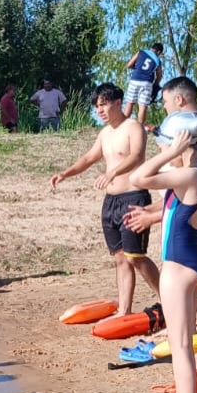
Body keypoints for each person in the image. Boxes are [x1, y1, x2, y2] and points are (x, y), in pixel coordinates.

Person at [131, 111, 197, 393]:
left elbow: (138, 178)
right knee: (183, 341)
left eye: (163, 147)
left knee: (180, 343)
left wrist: (171, 153)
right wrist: (175, 154)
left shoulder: (189, 175)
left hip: (179, 264)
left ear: (181, 144)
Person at [49, 83, 160, 315]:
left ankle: (168, 301)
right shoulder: (105, 133)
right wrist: (65, 174)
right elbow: (89, 158)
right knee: (120, 258)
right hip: (111, 202)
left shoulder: (133, 127)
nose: (99, 110)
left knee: (136, 257)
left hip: (133, 198)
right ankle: (124, 310)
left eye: (103, 104)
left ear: (118, 103)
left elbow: (137, 155)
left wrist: (112, 172)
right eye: (97, 106)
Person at [123, 42, 164, 123]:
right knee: (143, 107)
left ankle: (123, 125)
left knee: (129, 103)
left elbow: (129, 64)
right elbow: (159, 75)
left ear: (152, 47)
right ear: (159, 52)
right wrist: (156, 84)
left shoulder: (141, 52)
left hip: (135, 80)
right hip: (147, 83)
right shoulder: (157, 60)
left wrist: (137, 69)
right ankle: (140, 127)